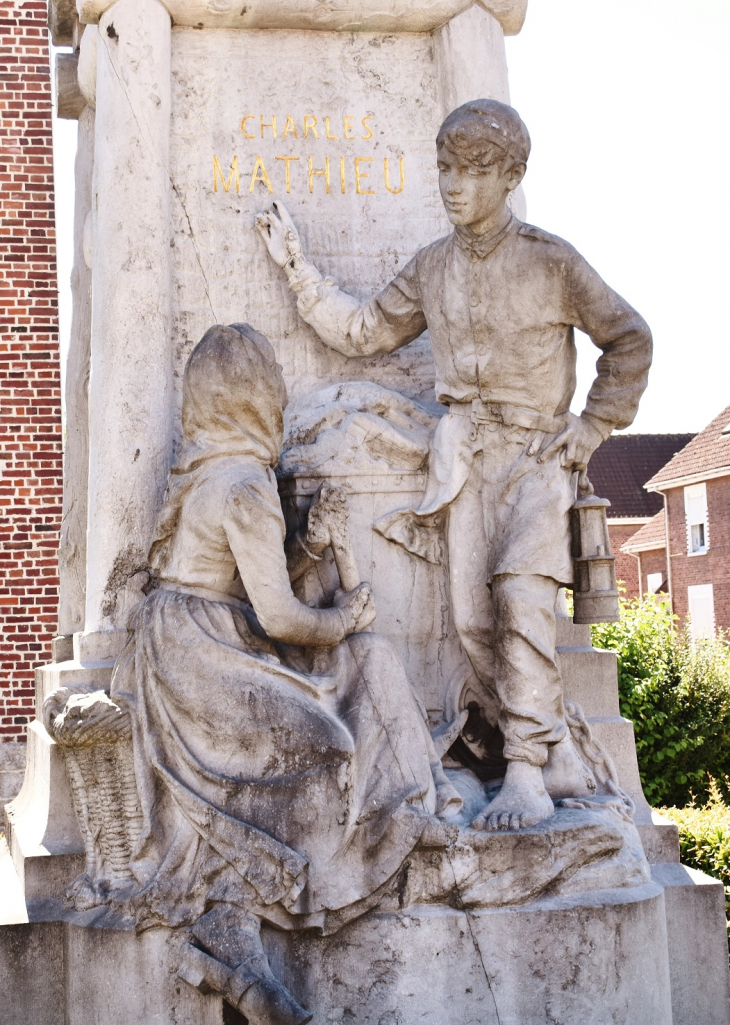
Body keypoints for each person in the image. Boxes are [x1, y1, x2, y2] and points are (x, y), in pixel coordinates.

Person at [255, 98, 653, 832]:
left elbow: (629, 340)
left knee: (522, 598)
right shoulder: (433, 266)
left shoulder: (551, 260)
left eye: (472, 170)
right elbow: (366, 330)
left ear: (511, 176)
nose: (453, 184)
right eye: (444, 167)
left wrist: (592, 427)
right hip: (467, 455)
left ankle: (529, 772)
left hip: (536, 456)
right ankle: (557, 749)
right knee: (474, 622)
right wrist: (297, 268)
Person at [110, 323, 460, 1024]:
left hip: (187, 638)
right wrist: (348, 619)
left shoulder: (210, 476)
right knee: (324, 741)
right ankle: (364, 845)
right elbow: (282, 618)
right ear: (257, 397)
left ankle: (234, 933)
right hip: (206, 656)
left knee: (325, 707)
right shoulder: (244, 484)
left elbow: (246, 577)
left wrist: (306, 542)